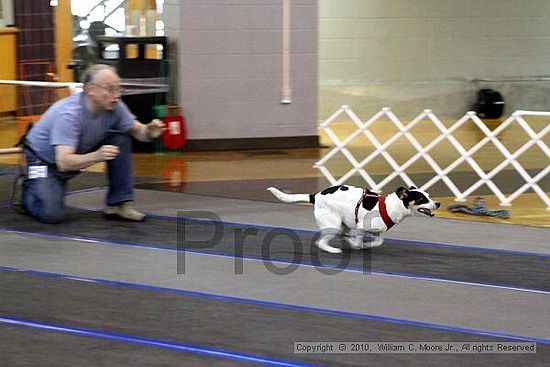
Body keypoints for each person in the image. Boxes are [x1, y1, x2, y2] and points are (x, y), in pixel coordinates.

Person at [12, 64, 165, 224]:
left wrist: (149, 131)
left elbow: (138, 132)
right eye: (110, 89)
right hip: (41, 159)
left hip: (74, 150)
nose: (117, 95)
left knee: (121, 140)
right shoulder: (70, 114)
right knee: (50, 215)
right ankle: (28, 191)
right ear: (90, 89)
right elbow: (63, 163)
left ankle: (118, 204)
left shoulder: (115, 106)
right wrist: (97, 155)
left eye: (118, 89)